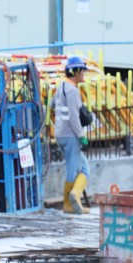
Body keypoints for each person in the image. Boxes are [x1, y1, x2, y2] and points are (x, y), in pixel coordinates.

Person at [55, 55, 92, 214]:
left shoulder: (61, 86)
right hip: (70, 136)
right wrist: (81, 135)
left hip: (61, 134)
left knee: (84, 169)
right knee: (73, 170)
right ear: (75, 71)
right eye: (82, 71)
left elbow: (52, 105)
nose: (83, 74)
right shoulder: (72, 91)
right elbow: (73, 116)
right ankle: (69, 203)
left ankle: (74, 197)